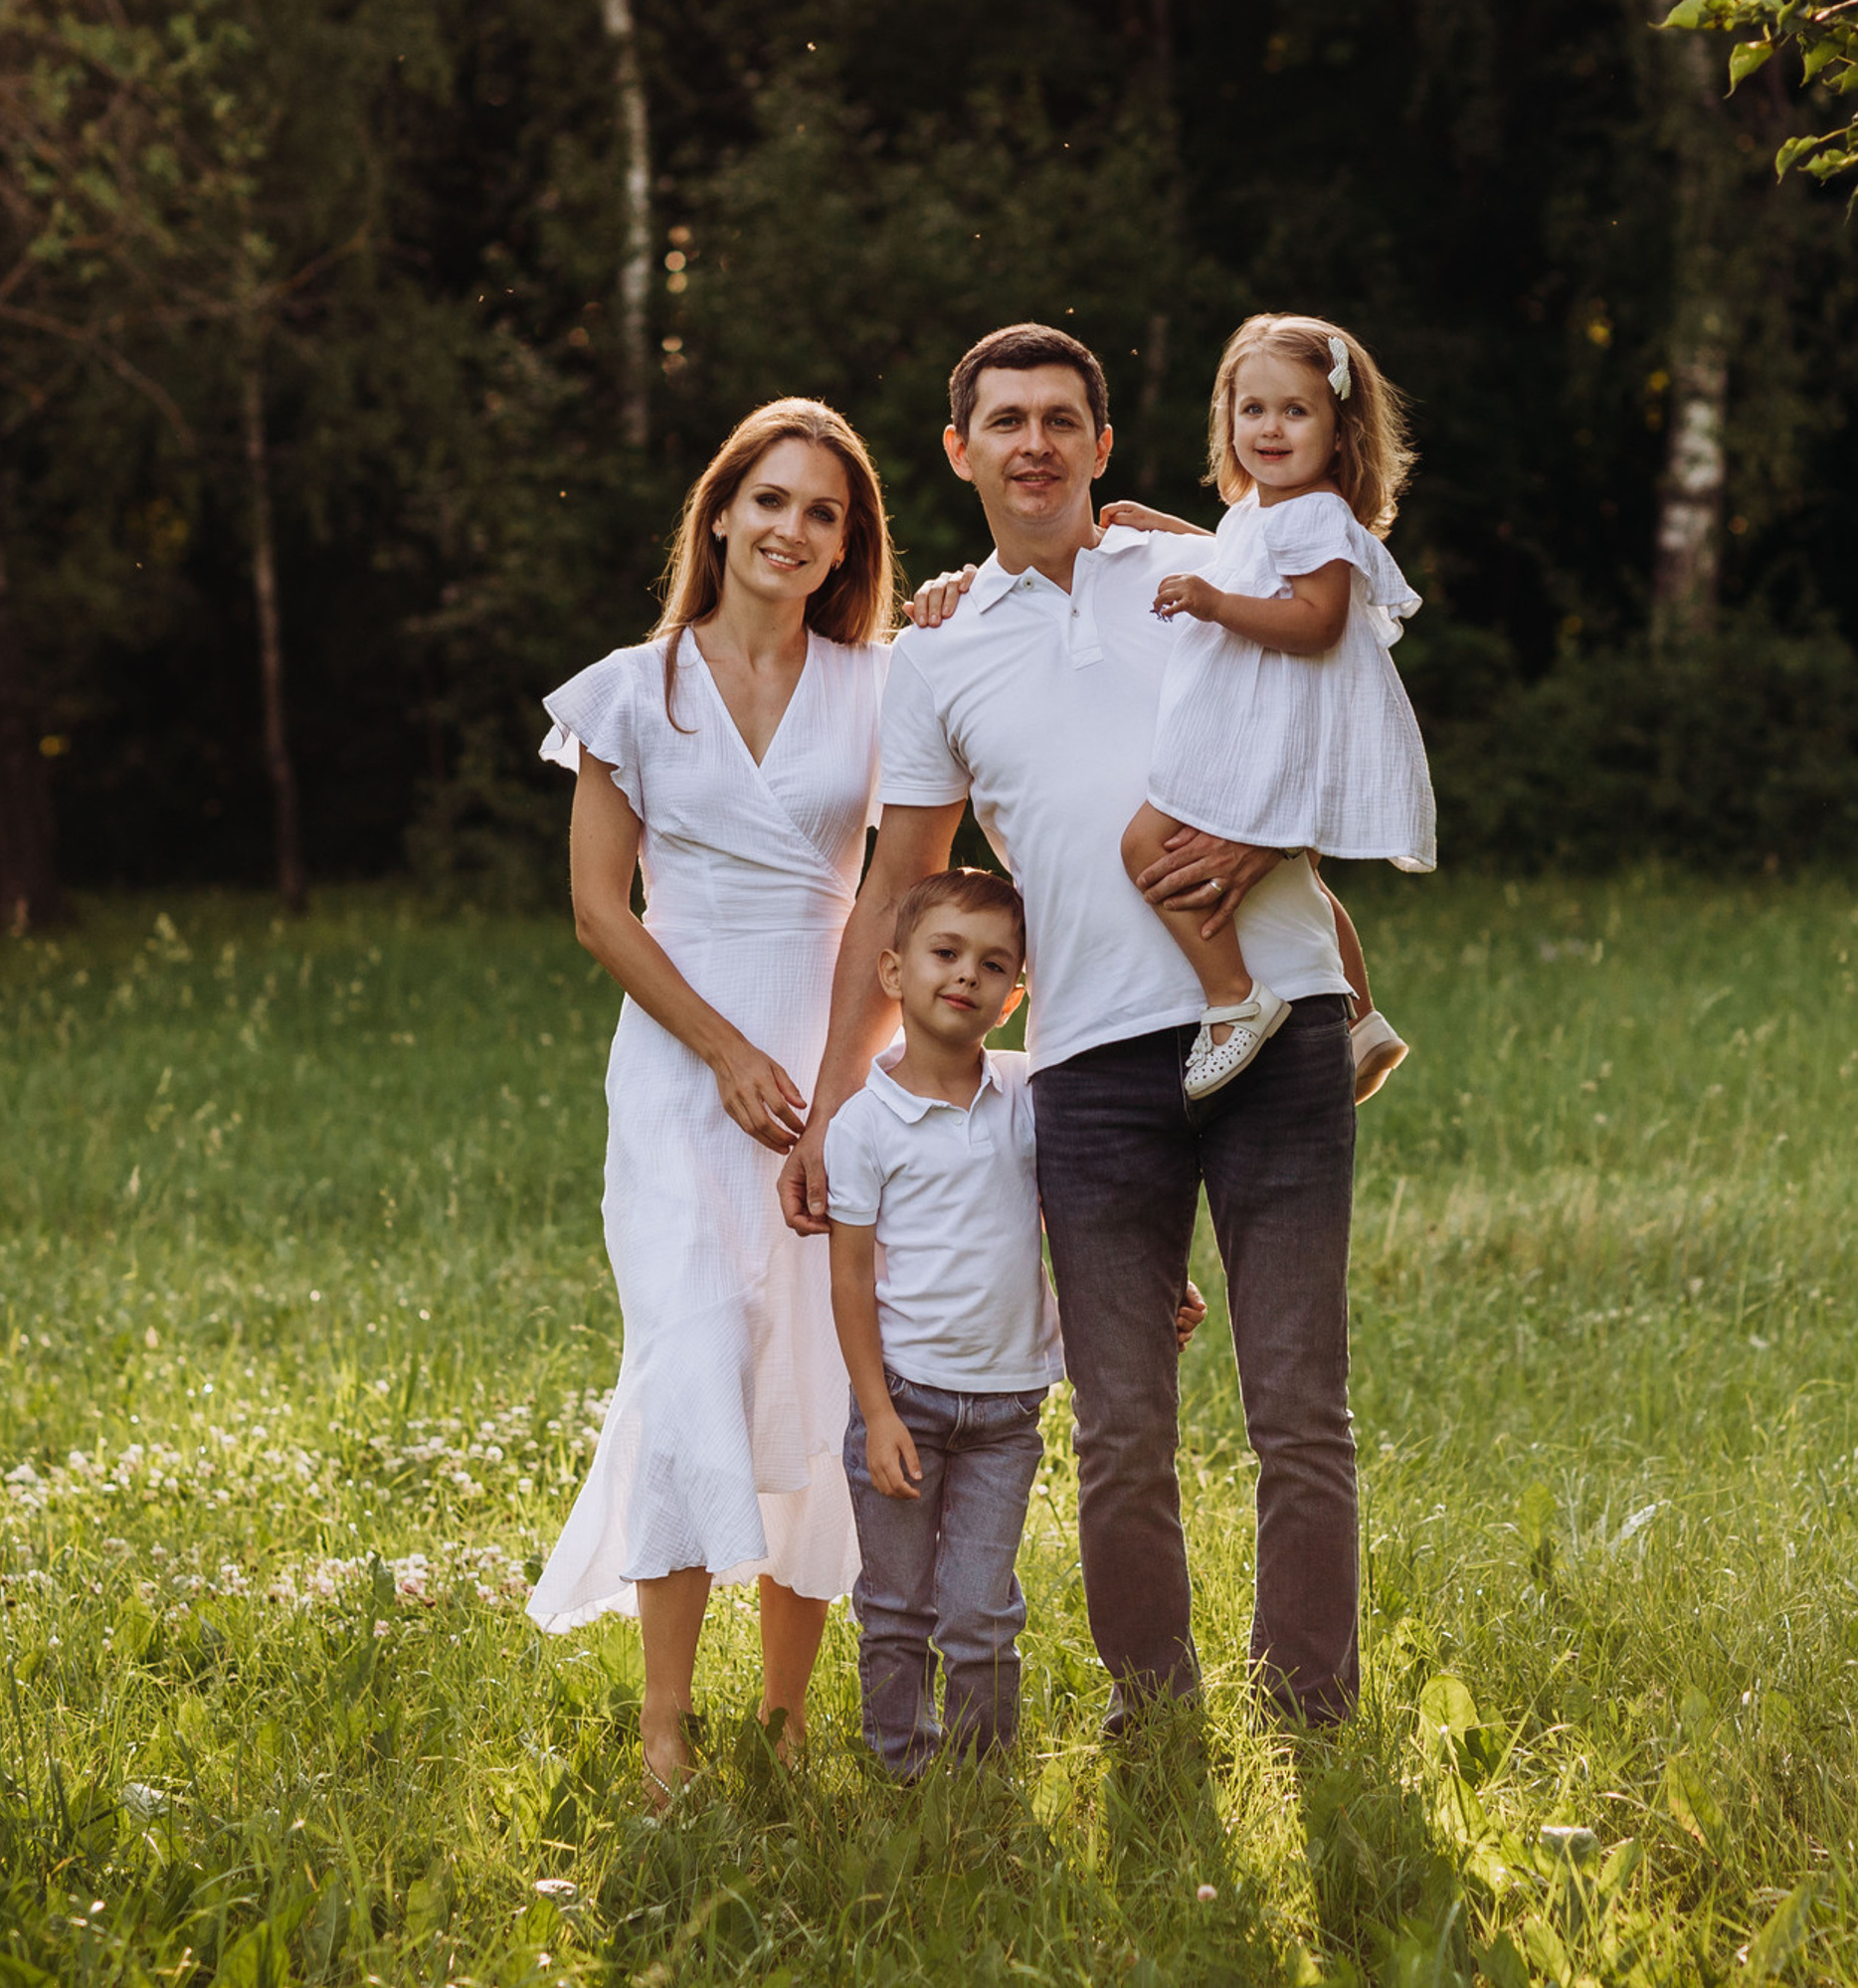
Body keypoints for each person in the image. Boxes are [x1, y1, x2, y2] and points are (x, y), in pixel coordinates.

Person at [781, 321, 1363, 1729]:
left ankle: (1313, 1712)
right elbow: (899, 890)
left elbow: (1345, 718)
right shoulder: (935, 655)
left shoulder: (1206, 568)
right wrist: (830, 1099)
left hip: (1275, 1028)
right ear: (960, 450)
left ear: (1103, 449)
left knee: (1298, 1409)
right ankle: (1154, 1710)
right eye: (1005, 420)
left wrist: (1258, 833)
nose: (1032, 441)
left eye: (1060, 419)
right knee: (1119, 1431)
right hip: (1094, 1073)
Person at [525, 397, 896, 1804]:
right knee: (689, 1354)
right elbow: (598, 910)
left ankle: (790, 1719)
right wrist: (728, 1053)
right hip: (682, 1068)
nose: (794, 531)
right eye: (773, 502)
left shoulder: (879, 688)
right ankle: (667, 1729)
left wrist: (835, 1085)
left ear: (844, 543)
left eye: (825, 514)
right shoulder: (633, 687)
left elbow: (903, 889)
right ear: (722, 514)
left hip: (834, 1045)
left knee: (809, 1361)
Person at [1108, 312, 1433, 1099]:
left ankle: (1234, 1000)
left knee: (1145, 844)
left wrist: (1214, 604)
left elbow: (1317, 621)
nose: (1271, 428)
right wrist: (1169, 532)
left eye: (1296, 411)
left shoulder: (1317, 513)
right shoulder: (1268, 510)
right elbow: (1244, 563)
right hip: (1282, 723)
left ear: (1340, 430)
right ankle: (1361, 1021)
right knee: (1304, 882)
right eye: (1252, 410)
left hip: (1277, 726)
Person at [825, 868, 1059, 1775]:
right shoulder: (864, 1125)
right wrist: (877, 1412)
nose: (967, 975)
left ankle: (983, 1777)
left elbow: (1072, 1227)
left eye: (993, 964)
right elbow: (849, 1282)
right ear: (892, 971)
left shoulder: (1031, 1096)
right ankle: (901, 1770)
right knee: (895, 1608)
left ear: (1014, 997)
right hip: (907, 1405)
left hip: (1007, 1411)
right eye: (946, 953)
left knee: (979, 1612)